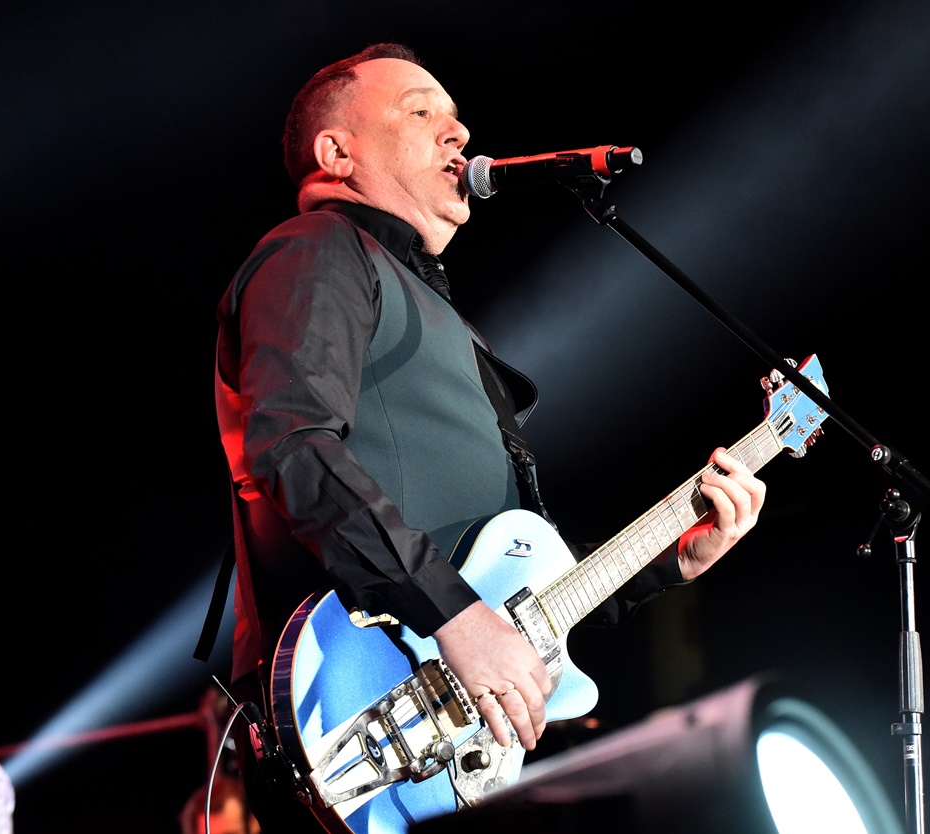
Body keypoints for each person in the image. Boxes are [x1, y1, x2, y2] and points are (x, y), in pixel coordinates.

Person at [211, 42, 766, 833]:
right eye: (420, 111)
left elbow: (525, 596)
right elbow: (292, 446)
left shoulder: (436, 314)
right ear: (337, 154)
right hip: (353, 714)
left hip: (439, 726)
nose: (459, 132)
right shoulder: (316, 250)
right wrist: (455, 617)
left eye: (455, 115)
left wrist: (673, 560)